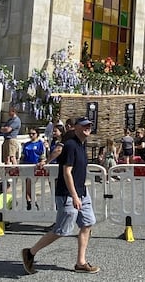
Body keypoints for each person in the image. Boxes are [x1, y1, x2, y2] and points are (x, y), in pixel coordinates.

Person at [21, 117, 100, 274]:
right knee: (61, 230)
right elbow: (66, 172)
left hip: (82, 192)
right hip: (69, 194)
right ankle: (30, 253)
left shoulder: (81, 144)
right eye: (84, 126)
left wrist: (79, 194)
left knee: (87, 223)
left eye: (89, 126)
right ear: (75, 128)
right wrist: (74, 196)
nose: (87, 128)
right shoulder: (70, 145)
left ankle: (80, 262)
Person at [21, 130, 47, 210]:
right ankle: (29, 202)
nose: (31, 135)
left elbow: (42, 155)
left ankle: (33, 201)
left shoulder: (40, 144)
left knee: (30, 183)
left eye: (33, 134)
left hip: (35, 166)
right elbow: (23, 156)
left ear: (37, 134)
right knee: (25, 186)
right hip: (26, 166)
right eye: (30, 133)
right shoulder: (26, 144)